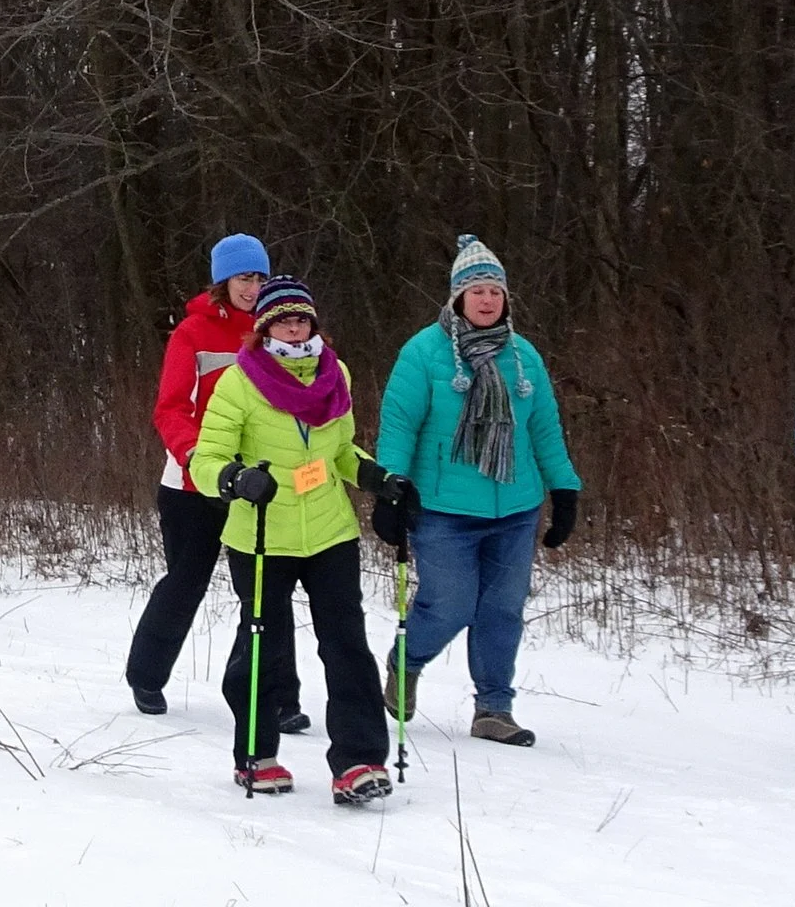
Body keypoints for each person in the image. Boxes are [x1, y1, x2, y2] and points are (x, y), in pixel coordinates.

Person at [188, 275, 394, 803]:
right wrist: (235, 479)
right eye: (283, 319)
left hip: (329, 529)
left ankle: (360, 761)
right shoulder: (239, 381)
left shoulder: (336, 374)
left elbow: (342, 451)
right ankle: (256, 754)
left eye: (302, 318)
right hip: (260, 533)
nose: (294, 327)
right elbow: (206, 458)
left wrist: (376, 478)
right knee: (265, 645)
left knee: (346, 644)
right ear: (264, 328)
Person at [376, 235, 581, 748]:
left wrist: (565, 489)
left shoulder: (523, 356)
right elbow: (399, 424)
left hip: (515, 506)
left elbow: (545, 430)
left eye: (496, 291)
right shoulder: (423, 353)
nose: (488, 300)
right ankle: (408, 660)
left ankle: (494, 708)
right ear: (456, 298)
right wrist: (389, 487)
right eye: (477, 291)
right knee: (450, 604)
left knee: (502, 609)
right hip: (444, 508)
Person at [124, 233, 309, 734]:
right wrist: (196, 456)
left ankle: (276, 696)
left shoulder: (278, 333)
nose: (252, 287)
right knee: (187, 580)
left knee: (267, 592)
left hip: (258, 485)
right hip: (192, 484)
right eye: (243, 278)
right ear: (222, 281)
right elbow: (170, 408)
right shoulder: (191, 333)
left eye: (259, 278)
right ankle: (146, 675)